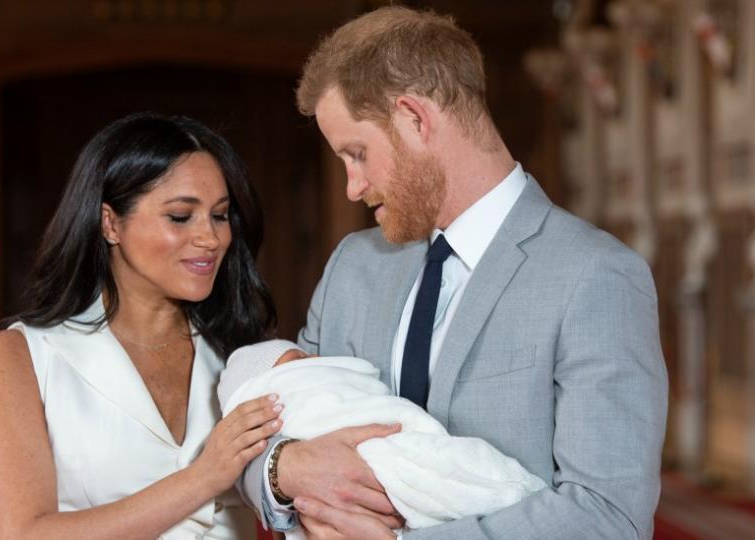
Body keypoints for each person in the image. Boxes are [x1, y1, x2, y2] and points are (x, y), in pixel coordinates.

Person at [240, 6, 668, 540]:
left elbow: (610, 516)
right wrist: (286, 471)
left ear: (414, 119)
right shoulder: (355, 264)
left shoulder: (596, 275)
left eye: (357, 154)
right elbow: (274, 420)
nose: (353, 186)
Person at [0, 112, 284, 539]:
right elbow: (26, 534)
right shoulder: (20, 357)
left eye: (220, 215)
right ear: (110, 223)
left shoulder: (243, 353)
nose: (211, 238)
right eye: (180, 216)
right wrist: (204, 477)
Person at [218, 339, 546, 538]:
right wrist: (284, 466)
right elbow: (247, 450)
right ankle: (504, 489)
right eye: (301, 360)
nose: (316, 359)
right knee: (442, 469)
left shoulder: (586, 268)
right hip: (375, 469)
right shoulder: (348, 265)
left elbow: (593, 508)